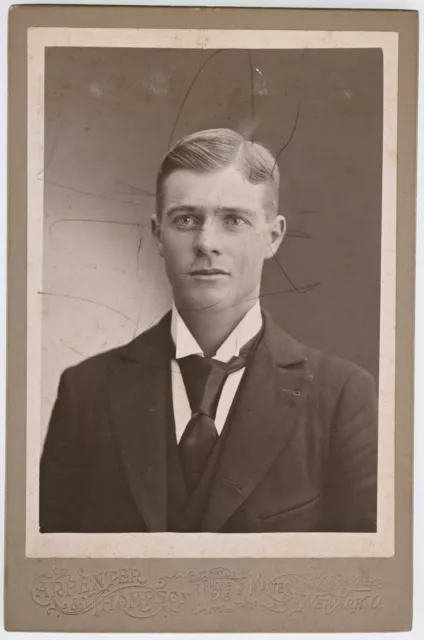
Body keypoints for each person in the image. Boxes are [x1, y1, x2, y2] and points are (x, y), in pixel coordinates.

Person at [40, 128, 378, 534]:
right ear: (157, 235)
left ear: (273, 237)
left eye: (233, 220)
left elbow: (363, 582)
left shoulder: (341, 395)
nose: (205, 242)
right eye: (186, 219)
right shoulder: (86, 392)